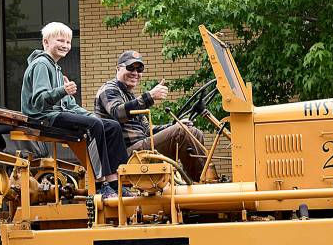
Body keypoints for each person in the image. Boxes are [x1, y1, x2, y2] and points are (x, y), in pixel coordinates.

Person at [21, 22, 131, 198]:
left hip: (56, 115)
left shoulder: (56, 69)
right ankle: (100, 184)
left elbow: (69, 105)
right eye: (60, 40)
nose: (65, 45)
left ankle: (116, 182)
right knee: (94, 126)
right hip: (42, 118)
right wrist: (62, 90)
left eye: (68, 41)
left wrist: (91, 116)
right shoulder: (41, 64)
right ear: (46, 42)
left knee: (111, 126)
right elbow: (39, 101)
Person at [95, 50, 208, 182]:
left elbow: (148, 129)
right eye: (130, 67)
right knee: (182, 133)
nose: (135, 73)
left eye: (139, 69)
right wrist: (149, 97)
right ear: (118, 68)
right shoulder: (109, 89)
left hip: (140, 150)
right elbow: (118, 112)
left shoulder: (130, 97)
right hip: (124, 156)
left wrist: (175, 125)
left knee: (192, 132)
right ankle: (204, 183)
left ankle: (198, 181)